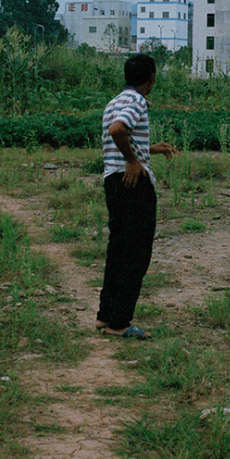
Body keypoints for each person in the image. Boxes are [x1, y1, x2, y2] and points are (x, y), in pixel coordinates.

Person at [95, 53, 178, 339]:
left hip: (113, 182)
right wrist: (133, 161)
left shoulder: (114, 101)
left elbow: (117, 132)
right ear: (151, 79)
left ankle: (105, 316)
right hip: (133, 183)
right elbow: (118, 130)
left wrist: (150, 148)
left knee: (118, 248)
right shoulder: (138, 101)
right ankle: (121, 323)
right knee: (137, 253)